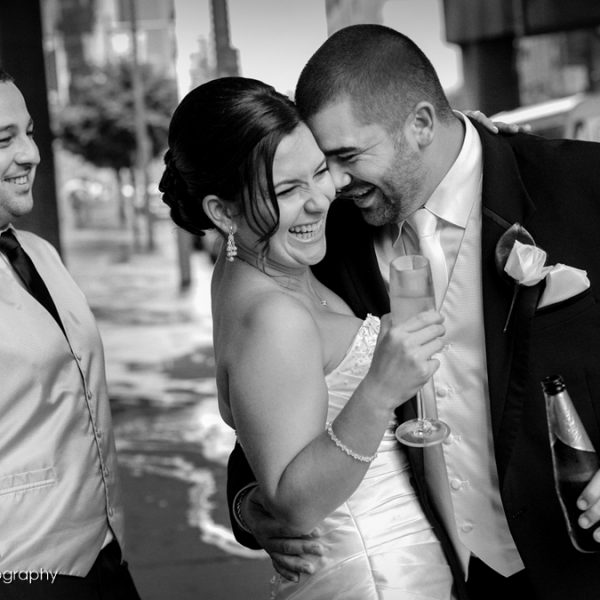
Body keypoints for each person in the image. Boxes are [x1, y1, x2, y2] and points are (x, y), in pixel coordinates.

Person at [227, 25, 600, 600]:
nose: (335, 184)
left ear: (421, 123)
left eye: (348, 157)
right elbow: (281, 387)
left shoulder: (581, 184)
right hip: (440, 576)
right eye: (325, 163)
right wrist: (252, 502)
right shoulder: (327, 236)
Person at [159, 75, 466, 599]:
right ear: (223, 211)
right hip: (375, 576)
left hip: (398, 559)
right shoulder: (272, 316)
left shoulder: (262, 261)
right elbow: (295, 503)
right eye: (286, 191)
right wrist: (379, 390)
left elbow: (274, 421)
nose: (321, 200)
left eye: (320, 171)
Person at [0, 70, 140, 599]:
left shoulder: (40, 253)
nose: (31, 154)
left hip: (104, 556)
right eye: (3, 140)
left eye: (29, 132)